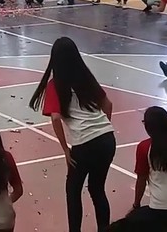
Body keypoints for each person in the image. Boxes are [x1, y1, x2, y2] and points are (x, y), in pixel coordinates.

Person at [29, 37, 115, 232]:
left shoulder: (55, 85)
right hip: (107, 139)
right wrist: (103, 127)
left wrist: (65, 150)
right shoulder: (85, 76)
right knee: (97, 189)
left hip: (84, 143)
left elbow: (56, 118)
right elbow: (108, 104)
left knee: (73, 191)